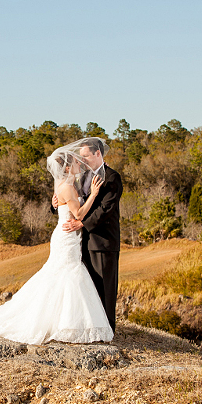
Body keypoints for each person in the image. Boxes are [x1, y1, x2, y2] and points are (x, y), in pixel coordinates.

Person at [0, 144, 114, 345]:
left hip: (71, 236)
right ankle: (62, 322)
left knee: (63, 275)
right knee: (68, 274)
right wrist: (94, 194)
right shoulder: (67, 187)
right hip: (67, 237)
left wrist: (61, 202)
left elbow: (65, 205)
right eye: (76, 161)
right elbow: (79, 214)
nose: (80, 163)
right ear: (67, 168)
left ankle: (65, 321)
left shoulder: (69, 184)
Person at [56, 137, 123, 332]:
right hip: (81, 241)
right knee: (88, 287)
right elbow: (72, 202)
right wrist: (55, 204)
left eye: (85, 156)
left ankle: (108, 329)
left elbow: (106, 208)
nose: (82, 160)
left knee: (105, 287)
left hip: (103, 241)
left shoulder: (112, 177)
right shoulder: (83, 176)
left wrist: (82, 223)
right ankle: (92, 325)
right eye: (80, 157)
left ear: (98, 153)